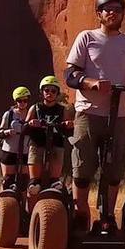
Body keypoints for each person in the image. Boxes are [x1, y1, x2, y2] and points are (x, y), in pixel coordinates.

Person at [64, 0, 125, 232]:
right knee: (83, 165)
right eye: (107, 9)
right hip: (88, 112)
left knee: (114, 167)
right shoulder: (86, 38)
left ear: (123, 14)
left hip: (118, 114)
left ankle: (108, 216)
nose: (112, 13)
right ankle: (81, 213)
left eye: (117, 10)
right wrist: (89, 83)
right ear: (99, 14)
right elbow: (70, 74)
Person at [25, 76, 73, 206]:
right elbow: (25, 127)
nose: (50, 93)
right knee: (34, 186)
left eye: (53, 91)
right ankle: (31, 213)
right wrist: (30, 123)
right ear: (42, 92)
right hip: (37, 144)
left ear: (57, 93)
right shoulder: (35, 108)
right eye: (47, 90)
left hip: (56, 145)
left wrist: (69, 124)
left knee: (55, 184)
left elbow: (69, 128)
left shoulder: (62, 109)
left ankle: (54, 210)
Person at [0, 86, 31, 189]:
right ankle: (4, 203)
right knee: (8, 180)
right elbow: (0, 132)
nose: (23, 103)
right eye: (20, 101)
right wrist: (7, 132)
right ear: (16, 101)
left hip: (25, 152)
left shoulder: (32, 114)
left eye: (25, 100)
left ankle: (25, 204)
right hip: (9, 151)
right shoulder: (9, 114)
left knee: (24, 181)